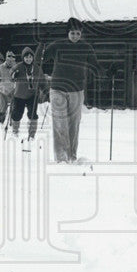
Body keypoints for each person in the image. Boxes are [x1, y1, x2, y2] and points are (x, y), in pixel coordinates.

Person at [40, 17, 100, 163]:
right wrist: (42, 43)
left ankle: (71, 155)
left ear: (81, 34)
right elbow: (41, 60)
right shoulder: (57, 45)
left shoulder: (86, 47)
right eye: (73, 33)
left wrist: (108, 72)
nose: (75, 36)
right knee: (60, 122)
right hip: (57, 89)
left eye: (78, 34)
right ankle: (61, 158)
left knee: (74, 124)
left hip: (77, 90)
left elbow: (95, 65)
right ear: (68, 32)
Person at [9, 47, 47, 140]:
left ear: (33, 58)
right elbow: (11, 74)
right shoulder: (19, 66)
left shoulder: (37, 68)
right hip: (19, 95)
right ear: (23, 58)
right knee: (17, 114)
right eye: (26, 57)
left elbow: (42, 80)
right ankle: (15, 130)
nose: (28, 59)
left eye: (30, 57)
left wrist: (46, 90)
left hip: (32, 95)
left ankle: (32, 134)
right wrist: (14, 75)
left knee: (33, 114)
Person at [0, 50, 17, 125]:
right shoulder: (1, 67)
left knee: (14, 107)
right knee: (3, 106)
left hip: (13, 90)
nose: (10, 62)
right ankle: (1, 121)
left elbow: (21, 76)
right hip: (3, 90)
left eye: (12, 60)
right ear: (6, 59)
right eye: (8, 60)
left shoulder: (16, 67)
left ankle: (12, 122)